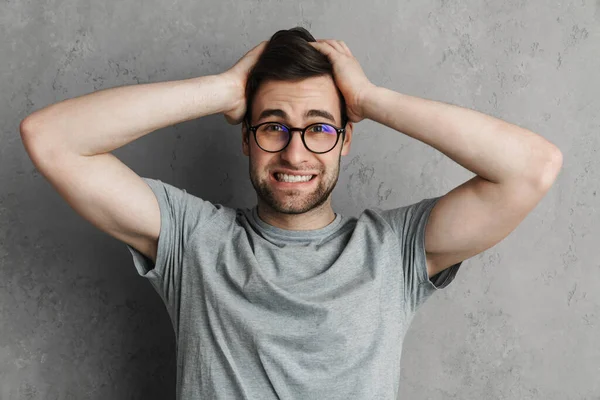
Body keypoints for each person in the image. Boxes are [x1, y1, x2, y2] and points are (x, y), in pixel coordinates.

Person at [20, 27, 562, 399]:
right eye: (272, 125)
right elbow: (50, 138)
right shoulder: (193, 240)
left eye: (320, 128)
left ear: (346, 140)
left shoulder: (396, 250)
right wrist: (224, 89)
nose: (295, 152)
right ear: (247, 139)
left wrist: (369, 99)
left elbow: (532, 167)